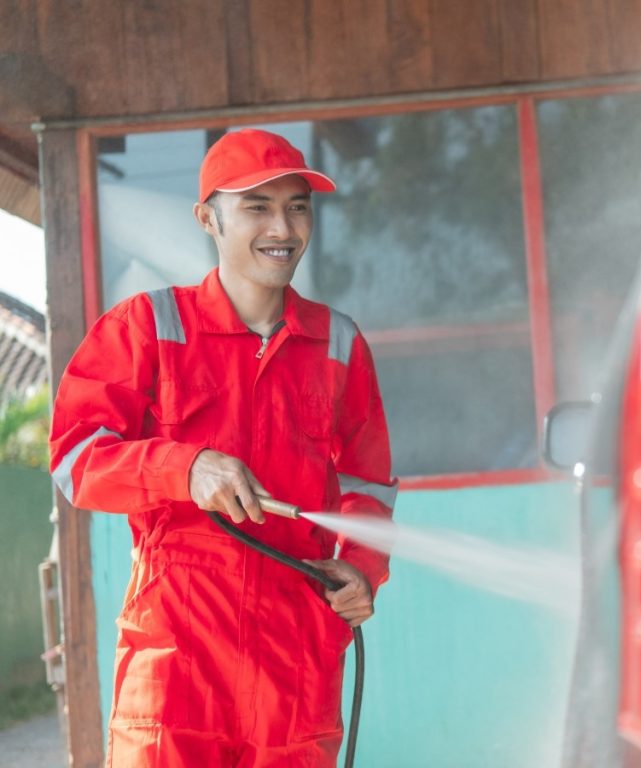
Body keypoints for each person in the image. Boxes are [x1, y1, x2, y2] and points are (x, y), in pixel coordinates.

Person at [49, 128, 397, 767]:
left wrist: (361, 566)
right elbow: (76, 461)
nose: (282, 228)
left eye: (297, 206)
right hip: (178, 660)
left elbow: (369, 484)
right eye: (256, 207)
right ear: (207, 218)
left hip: (295, 661)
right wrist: (184, 467)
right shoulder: (148, 328)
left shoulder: (339, 346)